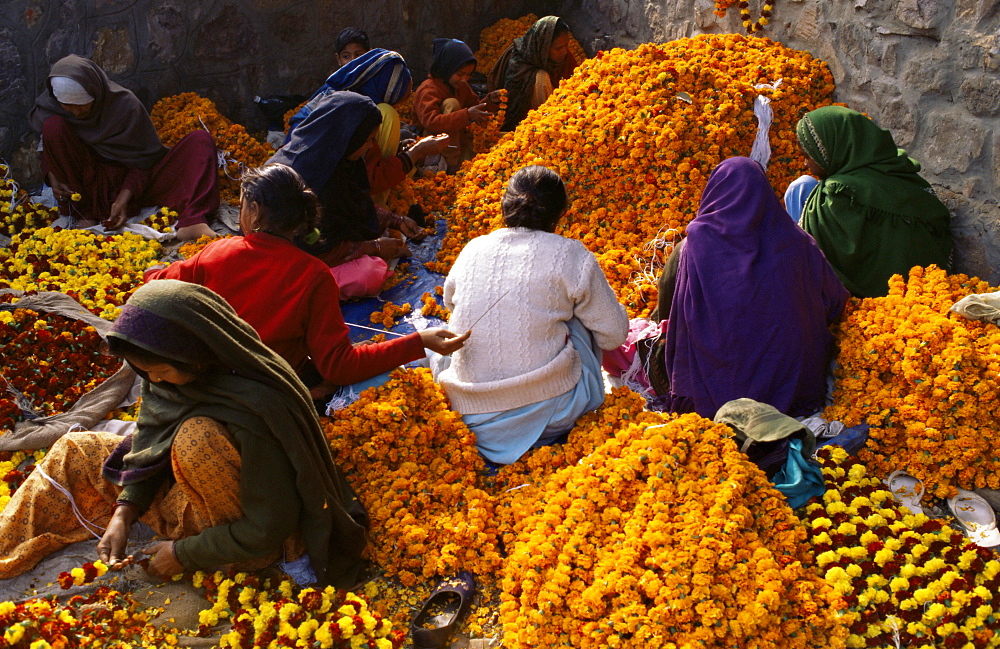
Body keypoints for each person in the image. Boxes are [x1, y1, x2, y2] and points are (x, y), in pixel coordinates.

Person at [0, 280, 368, 587]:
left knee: (196, 439)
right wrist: (124, 511)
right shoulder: (171, 378)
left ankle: (242, 561)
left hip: (250, 531)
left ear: (196, 354)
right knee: (74, 449)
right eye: (147, 374)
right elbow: (149, 439)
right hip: (187, 484)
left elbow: (270, 525)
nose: (155, 382)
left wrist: (181, 555)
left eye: (161, 372)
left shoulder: (257, 404)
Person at [146, 164, 468, 399]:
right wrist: (419, 341)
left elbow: (156, 285)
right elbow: (338, 367)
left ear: (255, 212)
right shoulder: (313, 275)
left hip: (211, 386)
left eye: (242, 206)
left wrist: (152, 273)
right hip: (266, 393)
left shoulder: (217, 253)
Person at [432, 165, 628, 465]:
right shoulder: (571, 255)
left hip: (470, 415)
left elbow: (450, 306)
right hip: (556, 411)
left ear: (505, 205)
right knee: (578, 318)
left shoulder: (473, 249)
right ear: (560, 212)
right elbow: (613, 335)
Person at [647, 157, 848, 419]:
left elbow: (668, 312)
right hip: (797, 386)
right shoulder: (797, 241)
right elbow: (835, 302)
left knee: (653, 341)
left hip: (716, 390)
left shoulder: (696, 243)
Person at [29, 55, 219, 241]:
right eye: (68, 106)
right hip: (87, 186)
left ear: (96, 93)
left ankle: (193, 220)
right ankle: (84, 214)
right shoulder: (52, 109)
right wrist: (53, 175)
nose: (76, 112)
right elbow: (50, 146)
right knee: (53, 127)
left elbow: (144, 160)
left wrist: (123, 199)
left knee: (200, 141)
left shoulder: (125, 106)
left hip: (135, 183)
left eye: (82, 105)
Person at [268, 91, 427, 295]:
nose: (371, 146)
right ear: (348, 136)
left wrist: (393, 219)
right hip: (287, 261)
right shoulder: (307, 178)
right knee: (369, 274)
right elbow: (312, 247)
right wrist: (373, 247)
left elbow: (352, 201)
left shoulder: (339, 160)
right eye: (369, 139)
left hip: (319, 242)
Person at [786, 105, 953, 298]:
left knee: (802, 188)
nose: (805, 163)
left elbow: (832, 261)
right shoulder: (898, 169)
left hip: (884, 296)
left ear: (831, 149)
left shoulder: (837, 195)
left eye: (808, 156)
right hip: (927, 283)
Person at [285, 48, 449, 202]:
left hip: (303, 192)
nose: (372, 143)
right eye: (396, 103)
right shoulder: (352, 116)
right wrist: (416, 152)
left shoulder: (336, 99)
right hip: (310, 202)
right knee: (387, 115)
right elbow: (367, 179)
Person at [412, 39, 500, 173]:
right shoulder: (428, 89)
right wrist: (467, 115)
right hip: (433, 150)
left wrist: (491, 101)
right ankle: (450, 166)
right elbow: (431, 122)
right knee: (452, 104)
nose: (464, 79)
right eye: (460, 74)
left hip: (457, 144)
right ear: (446, 67)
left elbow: (476, 108)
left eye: (468, 75)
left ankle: (458, 163)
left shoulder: (461, 87)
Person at [490, 16, 577, 131]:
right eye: (558, 48)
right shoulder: (521, 60)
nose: (564, 51)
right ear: (544, 47)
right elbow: (514, 102)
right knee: (541, 78)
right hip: (529, 121)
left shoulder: (566, 57)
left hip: (565, 114)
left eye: (566, 45)